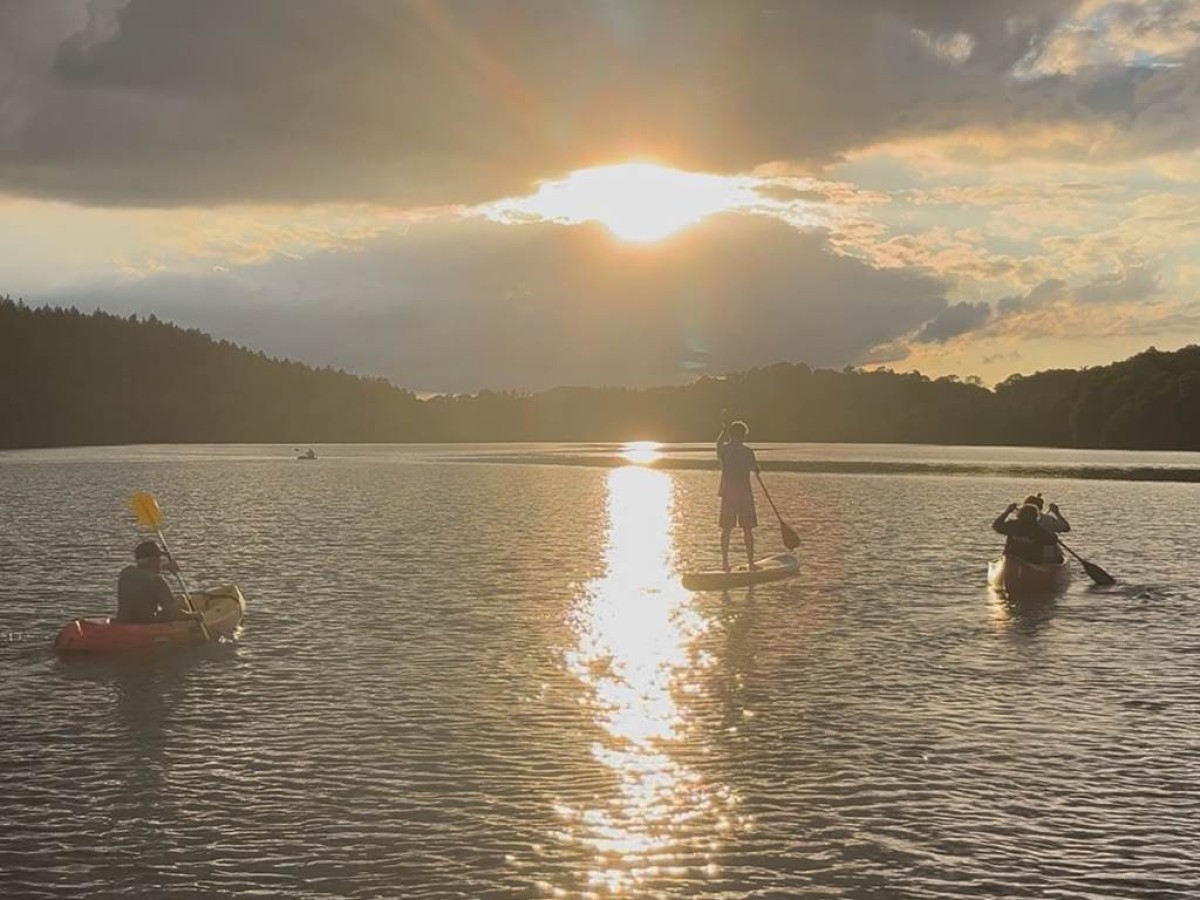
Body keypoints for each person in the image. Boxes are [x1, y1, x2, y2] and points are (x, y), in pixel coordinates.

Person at [116, 541, 201, 624]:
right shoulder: (157, 580)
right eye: (159, 558)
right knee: (179, 604)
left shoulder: (126, 572)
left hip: (123, 621)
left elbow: (145, 573)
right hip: (146, 623)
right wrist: (192, 615)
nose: (160, 561)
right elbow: (173, 612)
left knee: (180, 599)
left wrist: (165, 567)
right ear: (153, 560)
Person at [717, 417, 760, 572]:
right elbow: (755, 469)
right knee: (747, 529)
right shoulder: (748, 452)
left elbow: (718, 445)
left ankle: (725, 564)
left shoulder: (724, 450)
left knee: (726, 529)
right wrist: (756, 469)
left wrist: (723, 431)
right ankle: (751, 563)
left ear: (730, 434)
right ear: (743, 435)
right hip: (744, 495)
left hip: (728, 494)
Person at [992, 502, 1062, 565]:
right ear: (1035, 516)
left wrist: (1007, 511)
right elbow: (1052, 540)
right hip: (1031, 561)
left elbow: (997, 526)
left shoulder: (1012, 525)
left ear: (1019, 515)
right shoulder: (1037, 529)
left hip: (1015, 559)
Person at [1023, 493, 1071, 562]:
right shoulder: (1047, 519)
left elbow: (1066, 528)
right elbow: (1066, 528)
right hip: (1044, 557)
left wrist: (1008, 511)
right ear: (1041, 507)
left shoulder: (1017, 520)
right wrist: (1056, 512)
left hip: (1029, 556)